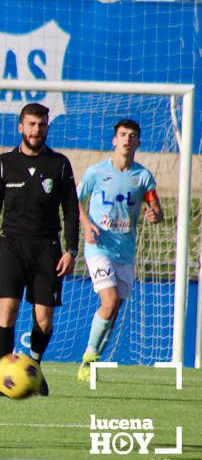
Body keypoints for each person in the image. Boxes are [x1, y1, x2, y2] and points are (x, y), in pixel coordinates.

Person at [0, 102, 79, 396]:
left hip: (47, 249)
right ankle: (3, 376)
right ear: (20, 127)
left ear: (47, 127)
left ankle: (33, 366)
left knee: (44, 320)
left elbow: (71, 210)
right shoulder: (4, 162)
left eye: (42, 124)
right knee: (7, 309)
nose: (37, 130)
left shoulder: (59, 164)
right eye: (32, 124)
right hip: (11, 245)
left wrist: (71, 249)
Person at [76, 119, 163, 382]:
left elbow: (156, 208)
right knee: (109, 301)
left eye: (132, 136)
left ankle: (90, 365)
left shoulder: (143, 177)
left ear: (138, 142)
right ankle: (89, 356)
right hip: (99, 247)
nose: (127, 139)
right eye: (123, 135)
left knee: (114, 312)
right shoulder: (96, 172)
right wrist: (86, 223)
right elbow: (75, 201)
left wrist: (154, 214)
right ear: (114, 140)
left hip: (125, 253)